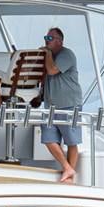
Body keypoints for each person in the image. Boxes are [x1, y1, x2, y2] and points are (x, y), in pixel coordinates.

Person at [40, 26, 82, 183]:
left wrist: (47, 53)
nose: (46, 40)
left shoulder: (67, 55)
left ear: (60, 41)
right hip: (51, 105)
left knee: (71, 140)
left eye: (50, 38)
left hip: (69, 104)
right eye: (46, 37)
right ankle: (67, 168)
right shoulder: (48, 55)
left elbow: (51, 70)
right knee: (48, 138)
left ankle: (69, 175)